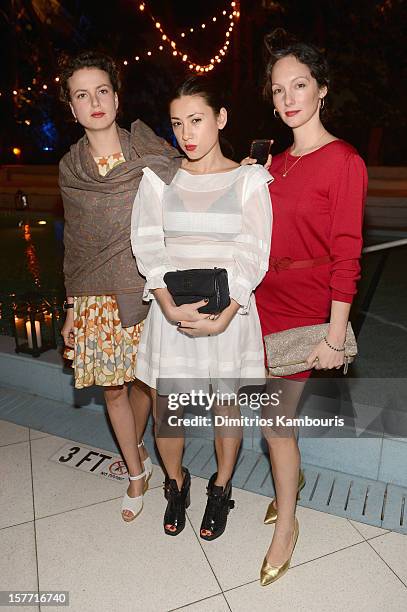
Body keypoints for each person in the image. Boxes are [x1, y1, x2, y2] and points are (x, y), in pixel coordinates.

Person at [131, 75, 273, 539]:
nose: (187, 133)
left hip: (229, 312)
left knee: (224, 407)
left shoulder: (251, 178)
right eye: (177, 124)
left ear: (221, 119)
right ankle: (176, 483)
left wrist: (227, 314)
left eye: (196, 120)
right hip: (170, 310)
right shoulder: (158, 180)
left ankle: (221, 486)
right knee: (165, 409)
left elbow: (253, 252)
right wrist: (169, 308)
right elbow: (148, 246)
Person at [250, 30, 368, 586]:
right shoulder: (272, 164)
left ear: (322, 89)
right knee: (276, 420)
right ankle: (286, 488)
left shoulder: (343, 160)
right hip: (262, 305)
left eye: (300, 85)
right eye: (279, 90)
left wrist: (335, 334)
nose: (289, 98)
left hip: (308, 312)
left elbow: (348, 254)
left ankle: (287, 525)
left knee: (275, 422)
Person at [58, 51, 181, 522]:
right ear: (72, 108)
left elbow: (187, 186)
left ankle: (143, 452)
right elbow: (76, 240)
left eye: (102, 90)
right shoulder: (71, 169)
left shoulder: (146, 150)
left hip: (148, 288)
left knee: (148, 385)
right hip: (94, 296)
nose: (94, 102)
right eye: (81, 95)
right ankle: (136, 470)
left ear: (116, 95)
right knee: (113, 390)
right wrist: (71, 307)